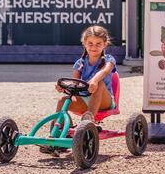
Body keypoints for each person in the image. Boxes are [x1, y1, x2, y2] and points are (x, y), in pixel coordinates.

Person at [42, 25, 118, 155]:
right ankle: (57, 136)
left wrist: (94, 80)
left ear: (105, 44)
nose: (94, 47)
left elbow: (105, 71)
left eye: (98, 44)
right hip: (84, 100)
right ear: (84, 43)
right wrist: (64, 88)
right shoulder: (80, 63)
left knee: (98, 84)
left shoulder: (109, 60)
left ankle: (89, 118)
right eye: (90, 44)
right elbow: (75, 83)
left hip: (104, 102)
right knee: (62, 100)